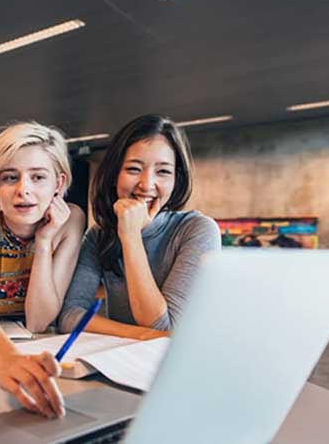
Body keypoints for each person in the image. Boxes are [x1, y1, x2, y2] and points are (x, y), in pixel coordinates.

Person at [0, 122, 86, 418]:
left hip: (39, 349)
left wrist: (44, 242)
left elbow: (39, 320)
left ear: (59, 184)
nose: (23, 189)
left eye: (38, 177)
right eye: (10, 177)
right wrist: (6, 359)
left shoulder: (71, 221)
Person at [59, 114, 221, 340]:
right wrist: (139, 335)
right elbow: (70, 315)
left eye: (163, 171)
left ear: (176, 179)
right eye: (134, 169)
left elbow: (163, 324)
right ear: (115, 175)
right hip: (121, 361)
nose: (147, 184)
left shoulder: (197, 230)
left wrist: (131, 235)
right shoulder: (98, 235)